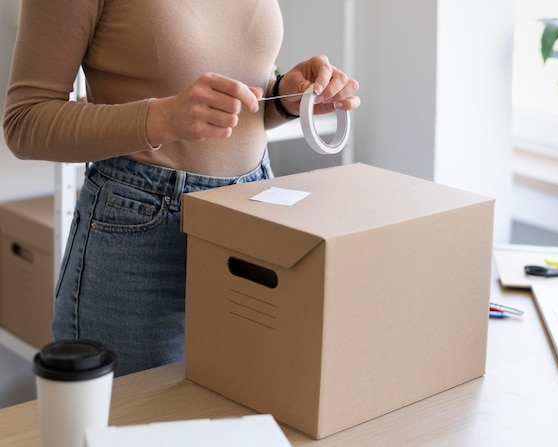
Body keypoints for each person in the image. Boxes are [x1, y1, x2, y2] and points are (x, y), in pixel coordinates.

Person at [3, 0, 360, 376]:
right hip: (138, 234)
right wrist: (162, 118)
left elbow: (231, 102)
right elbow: (24, 122)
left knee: (239, 420)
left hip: (251, 215)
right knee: (135, 427)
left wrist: (283, 98)